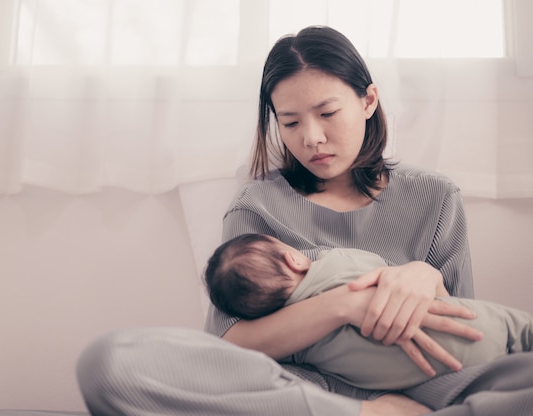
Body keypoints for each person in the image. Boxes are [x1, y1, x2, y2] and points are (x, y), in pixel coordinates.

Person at [77, 26, 533, 416]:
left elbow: (467, 332)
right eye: (290, 122)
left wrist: (426, 274)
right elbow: (229, 348)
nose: (312, 138)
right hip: (301, 396)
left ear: (369, 100)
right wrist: (344, 307)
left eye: (328, 113)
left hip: (429, 388)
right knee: (110, 362)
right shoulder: (257, 207)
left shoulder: (435, 198)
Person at [204, 232, 533, 390]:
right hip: (481, 326)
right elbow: (384, 271)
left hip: (445, 381)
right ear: (294, 258)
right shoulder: (337, 262)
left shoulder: (296, 347)